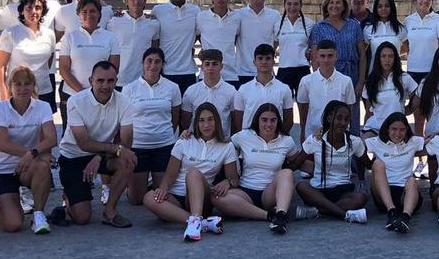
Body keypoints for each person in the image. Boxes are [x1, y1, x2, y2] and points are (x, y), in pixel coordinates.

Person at [52, 61, 137, 228]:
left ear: (116, 80)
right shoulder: (75, 101)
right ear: (91, 80)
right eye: (100, 81)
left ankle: (110, 211)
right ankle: (68, 197)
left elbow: (126, 143)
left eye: (110, 81)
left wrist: (98, 157)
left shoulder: (125, 101)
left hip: (103, 154)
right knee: (82, 218)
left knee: (128, 160)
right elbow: (83, 143)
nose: (105, 85)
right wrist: (112, 150)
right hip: (74, 157)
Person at [143, 103, 236, 241]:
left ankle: (196, 219)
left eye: (210, 119)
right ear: (196, 123)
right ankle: (200, 223)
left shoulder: (226, 146)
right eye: (201, 120)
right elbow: (170, 175)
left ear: (216, 121)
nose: (206, 125)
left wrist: (227, 182)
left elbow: (233, 178)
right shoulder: (184, 141)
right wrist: (163, 189)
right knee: (149, 197)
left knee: (193, 174)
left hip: (202, 197)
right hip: (177, 196)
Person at [0, 67, 56, 234]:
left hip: (28, 167)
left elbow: (51, 139)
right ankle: (3, 203)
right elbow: (3, 144)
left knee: (43, 165)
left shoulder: (43, 107)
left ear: (34, 87)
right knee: (14, 225)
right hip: (1, 171)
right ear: (10, 86)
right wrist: (31, 154)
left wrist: (31, 156)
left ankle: (38, 215)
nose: (22, 88)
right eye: (17, 84)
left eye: (27, 84)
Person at [220, 104, 306, 234]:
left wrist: (327, 166)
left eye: (273, 120)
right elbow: (220, 146)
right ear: (257, 120)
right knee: (216, 197)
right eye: (264, 120)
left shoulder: (286, 141)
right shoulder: (244, 136)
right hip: (245, 192)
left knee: (287, 173)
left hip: (270, 193)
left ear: (278, 121)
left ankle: (281, 216)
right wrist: (192, 136)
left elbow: (299, 162)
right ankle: (269, 216)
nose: (269, 124)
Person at [121, 47, 183, 207]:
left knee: (161, 195)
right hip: (138, 147)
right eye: (149, 61)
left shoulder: (172, 88)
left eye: (157, 62)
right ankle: (133, 185)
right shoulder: (129, 89)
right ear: (142, 63)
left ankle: (151, 183)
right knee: (136, 200)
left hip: (164, 146)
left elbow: (175, 118)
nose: (153, 65)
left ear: (162, 64)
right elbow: (124, 119)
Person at [295, 101, 370, 224]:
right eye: (339, 118)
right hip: (319, 190)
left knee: (361, 197)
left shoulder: (354, 141)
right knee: (301, 186)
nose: (343, 123)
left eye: (347, 119)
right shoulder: (315, 140)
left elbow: (368, 163)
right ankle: (344, 214)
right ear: (329, 118)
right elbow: (296, 163)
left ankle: (316, 212)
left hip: (343, 190)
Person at [366, 112, 425, 233]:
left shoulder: (414, 141)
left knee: (412, 180)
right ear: (387, 128)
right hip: (384, 193)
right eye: (394, 129)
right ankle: (391, 212)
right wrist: (321, 133)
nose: (398, 134)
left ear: (407, 130)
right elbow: (353, 143)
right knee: (377, 164)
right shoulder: (376, 142)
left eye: (402, 130)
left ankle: (405, 218)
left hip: (406, 194)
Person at [0, 0, 57, 106]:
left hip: (44, 92)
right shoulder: (10, 33)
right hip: (18, 92)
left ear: (42, 11)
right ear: (22, 11)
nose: (33, 11)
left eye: (37, 8)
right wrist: (4, 98)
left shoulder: (49, 34)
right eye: (29, 8)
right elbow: (1, 67)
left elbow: (47, 63)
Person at [57, 0, 121, 104]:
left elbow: (114, 69)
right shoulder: (70, 37)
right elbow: (64, 70)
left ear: (99, 14)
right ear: (79, 14)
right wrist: (82, 93)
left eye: (93, 11)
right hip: (72, 95)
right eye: (84, 12)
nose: (88, 15)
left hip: (101, 95)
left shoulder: (111, 38)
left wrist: (96, 93)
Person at [151, 0, 201, 96]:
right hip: (165, 72)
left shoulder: (195, 11)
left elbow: (201, 35)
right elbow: (153, 39)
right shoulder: (158, 11)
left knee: (187, 111)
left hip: (188, 71)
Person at [308, 0, 367, 95]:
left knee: (350, 109)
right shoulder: (318, 28)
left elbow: (362, 55)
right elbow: (314, 57)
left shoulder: (354, 26)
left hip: (352, 75)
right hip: (328, 75)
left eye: (338, 2)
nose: (334, 5)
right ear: (326, 5)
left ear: (344, 6)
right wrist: (319, 79)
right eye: (331, 2)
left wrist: (361, 81)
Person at [298, 40, 357, 136]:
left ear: (336, 56)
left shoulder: (346, 81)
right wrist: (303, 133)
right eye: (322, 56)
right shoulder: (306, 81)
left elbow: (349, 111)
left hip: (338, 137)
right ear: (316, 57)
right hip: (312, 135)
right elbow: (303, 111)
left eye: (330, 56)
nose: (326, 60)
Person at [106, 0, 160, 90]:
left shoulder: (153, 24)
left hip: (143, 80)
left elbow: (155, 50)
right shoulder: (114, 22)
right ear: (126, 1)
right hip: (119, 80)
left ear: (145, 2)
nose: (136, 1)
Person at [362, 41, 418, 136]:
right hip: (376, 128)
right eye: (383, 56)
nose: (387, 60)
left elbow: (417, 95)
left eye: (390, 56)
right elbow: (368, 110)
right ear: (378, 58)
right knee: (365, 140)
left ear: (395, 58)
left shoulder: (404, 77)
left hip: (398, 128)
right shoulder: (371, 80)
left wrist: (406, 110)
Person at [234, 43, 294, 130]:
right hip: (249, 139)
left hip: (275, 140)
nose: (264, 62)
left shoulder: (284, 89)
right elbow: (238, 122)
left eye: (268, 58)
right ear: (254, 62)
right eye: (260, 58)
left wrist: (278, 136)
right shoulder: (243, 90)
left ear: (273, 61)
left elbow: (288, 121)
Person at [181, 49, 240, 135]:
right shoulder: (191, 91)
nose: (210, 68)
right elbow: (185, 122)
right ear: (202, 67)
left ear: (221, 66)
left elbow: (235, 122)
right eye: (207, 64)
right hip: (197, 142)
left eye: (215, 64)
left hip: (222, 143)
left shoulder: (231, 91)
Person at [234, 0, 279, 87]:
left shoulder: (274, 15)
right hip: (242, 71)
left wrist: (266, 56)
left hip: (266, 71)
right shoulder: (238, 15)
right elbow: (233, 38)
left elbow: (277, 40)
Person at [196, 0, 241, 86]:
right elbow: (196, 35)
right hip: (207, 74)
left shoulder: (237, 18)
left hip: (230, 74)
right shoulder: (201, 17)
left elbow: (236, 38)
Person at [273, 0, 313, 96]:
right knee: (283, 106)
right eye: (289, 4)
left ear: (300, 6)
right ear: (284, 5)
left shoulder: (309, 24)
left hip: (302, 69)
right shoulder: (278, 24)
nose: (292, 7)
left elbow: (315, 47)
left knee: (304, 106)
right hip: (283, 69)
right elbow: (273, 47)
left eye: (296, 4)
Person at [402, 0, 439, 85]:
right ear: (415, 1)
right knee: (414, 100)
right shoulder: (408, 21)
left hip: (433, 69)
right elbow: (405, 44)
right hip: (413, 69)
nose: (425, 0)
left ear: (432, 2)